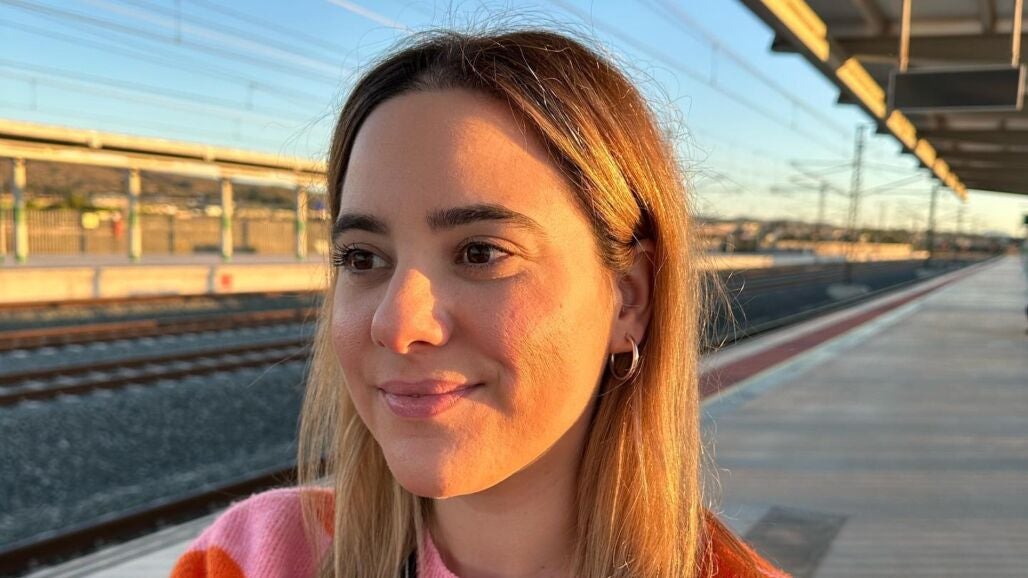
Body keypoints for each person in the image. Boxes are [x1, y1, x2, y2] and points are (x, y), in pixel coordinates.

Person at [171, 28, 789, 578]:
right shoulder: (250, 558)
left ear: (628, 298)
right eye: (362, 258)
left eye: (481, 253)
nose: (397, 324)